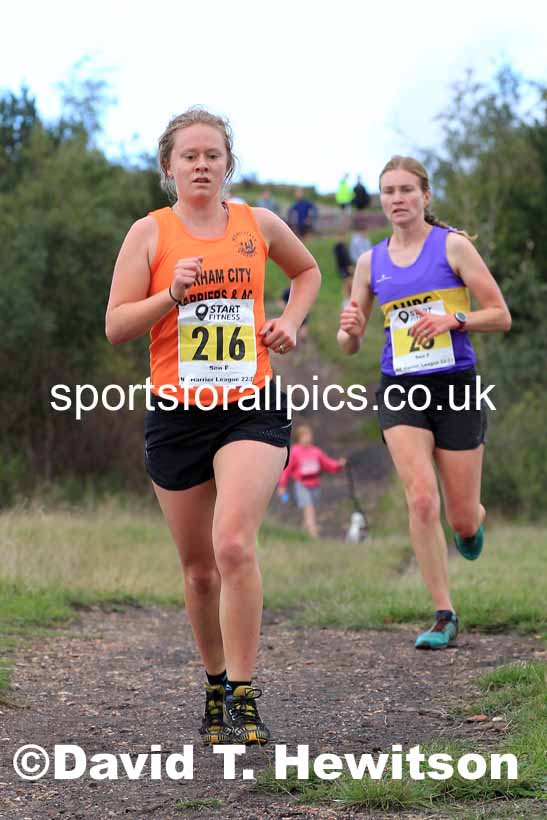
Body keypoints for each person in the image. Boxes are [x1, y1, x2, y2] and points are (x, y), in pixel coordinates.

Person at [106, 107, 321, 745]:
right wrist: (168, 294)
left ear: (228, 163)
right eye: (189, 156)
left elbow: (306, 273)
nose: (201, 165)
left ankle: (245, 695)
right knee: (200, 570)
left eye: (212, 155)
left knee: (234, 546)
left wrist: (291, 321)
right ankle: (215, 679)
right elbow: (117, 325)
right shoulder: (149, 234)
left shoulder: (259, 224)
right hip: (176, 415)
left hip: (249, 402)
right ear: (168, 168)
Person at [337, 155, 511, 650]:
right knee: (419, 497)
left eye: (406, 190)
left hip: (456, 384)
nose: (397, 199)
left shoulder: (452, 246)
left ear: (425, 196)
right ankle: (444, 613)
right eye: (389, 191)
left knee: (459, 515)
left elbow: (499, 315)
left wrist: (455, 322)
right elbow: (351, 340)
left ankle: (472, 522)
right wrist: (348, 332)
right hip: (401, 385)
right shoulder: (371, 263)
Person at [277, 424, 346, 538]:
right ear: (299, 437)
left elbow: (327, 464)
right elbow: (287, 470)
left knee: (311, 507)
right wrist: (282, 485)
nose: (307, 438)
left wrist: (339, 465)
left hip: (314, 483)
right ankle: (313, 534)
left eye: (309, 435)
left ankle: (304, 532)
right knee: (309, 508)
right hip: (301, 484)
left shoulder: (316, 451)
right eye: (304, 435)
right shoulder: (295, 452)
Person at [333, 230, 355, 301]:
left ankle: (350, 299)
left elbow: (348, 258)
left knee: (350, 285)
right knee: (347, 284)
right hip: (343, 269)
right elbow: (342, 260)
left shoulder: (345, 246)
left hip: (347, 268)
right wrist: (348, 267)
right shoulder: (338, 247)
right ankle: (347, 301)